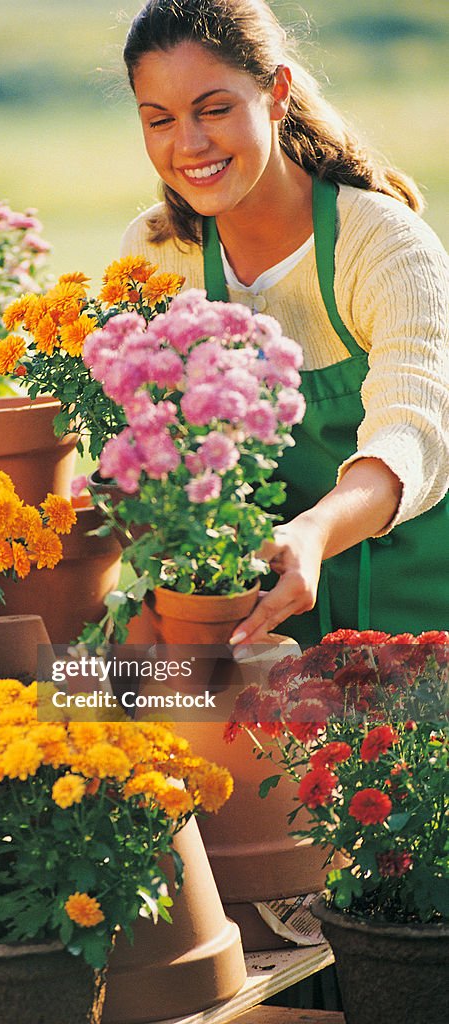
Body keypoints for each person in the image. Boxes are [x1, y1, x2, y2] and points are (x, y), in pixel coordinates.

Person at [118, 0, 449, 649]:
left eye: (214, 109)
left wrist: (312, 532)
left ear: (275, 93)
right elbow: (143, 444)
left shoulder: (382, 245)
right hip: (258, 634)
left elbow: (411, 429)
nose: (188, 145)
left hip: (416, 620)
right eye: (159, 119)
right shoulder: (156, 255)